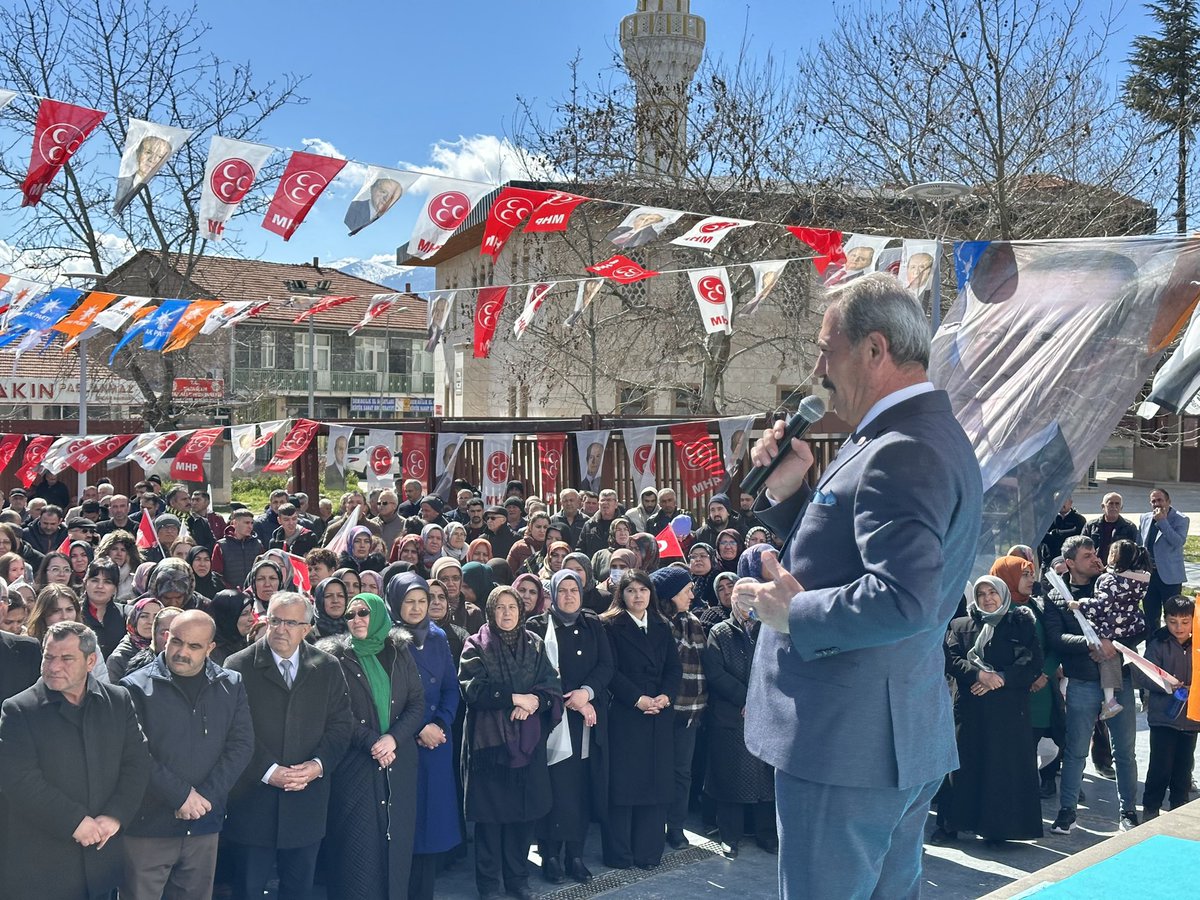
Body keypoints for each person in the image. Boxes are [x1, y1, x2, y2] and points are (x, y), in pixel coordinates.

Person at [736, 274, 982, 899]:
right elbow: (855, 555)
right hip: (886, 737)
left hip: (849, 748)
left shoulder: (902, 448)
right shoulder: (912, 433)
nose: (819, 368)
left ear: (874, 350)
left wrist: (796, 612)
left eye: (828, 348)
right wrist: (790, 494)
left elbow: (906, 597)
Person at [0, 621, 151, 900]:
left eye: (67, 658)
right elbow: (19, 780)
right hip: (41, 867)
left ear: (91, 661)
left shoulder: (117, 701)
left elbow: (137, 763)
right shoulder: (19, 709)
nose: (54, 666)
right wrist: (74, 822)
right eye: (49, 657)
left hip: (100, 861)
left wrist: (115, 815)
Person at [222, 592, 353, 900]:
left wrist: (317, 766)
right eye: (275, 620)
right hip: (253, 801)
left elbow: (340, 725)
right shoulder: (238, 666)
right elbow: (234, 731)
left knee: (299, 889)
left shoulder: (327, 666)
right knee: (248, 890)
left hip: (306, 801)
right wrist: (268, 771)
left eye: (290, 623)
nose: (280, 629)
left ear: (307, 629)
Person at [119, 609, 254, 900]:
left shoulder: (231, 684)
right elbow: (134, 753)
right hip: (147, 826)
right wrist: (181, 796)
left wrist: (203, 799)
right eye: (177, 642)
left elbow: (241, 746)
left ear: (210, 648)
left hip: (204, 825)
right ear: (166, 638)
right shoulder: (133, 688)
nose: (182, 651)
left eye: (194, 646)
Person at [319, 591, 424, 900]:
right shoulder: (336, 658)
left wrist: (393, 738)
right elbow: (336, 712)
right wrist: (372, 742)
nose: (356, 620)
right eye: (350, 616)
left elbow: (417, 704)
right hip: (356, 766)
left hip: (399, 760)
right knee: (357, 850)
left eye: (363, 613)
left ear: (378, 614)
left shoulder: (400, 651)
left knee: (397, 846)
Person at [459, 585, 562, 900]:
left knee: (523, 817)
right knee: (491, 821)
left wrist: (533, 701)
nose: (506, 613)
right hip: (490, 748)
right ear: (491, 611)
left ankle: (518, 880)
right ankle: (488, 885)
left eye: (512, 607)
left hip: (527, 745)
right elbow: (473, 689)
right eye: (500, 607)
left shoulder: (534, 644)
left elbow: (551, 686)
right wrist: (513, 697)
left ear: (521, 611)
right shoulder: (475, 645)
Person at [933, 576, 1044, 845]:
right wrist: (978, 676)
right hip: (970, 709)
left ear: (1003, 594)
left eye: (993, 592)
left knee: (1001, 769)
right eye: (981, 593)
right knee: (962, 767)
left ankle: (998, 830)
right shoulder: (961, 625)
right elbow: (950, 658)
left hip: (1006, 713)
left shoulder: (1021, 624)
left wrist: (1000, 679)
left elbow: (1031, 663)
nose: (987, 598)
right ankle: (950, 825)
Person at [1045, 534, 1143, 834]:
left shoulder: (1114, 583)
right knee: (1076, 751)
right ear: (1070, 563)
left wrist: (1114, 642)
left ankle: (1127, 812)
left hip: (1119, 679)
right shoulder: (1058, 596)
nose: (1096, 558)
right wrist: (1090, 643)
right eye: (1087, 555)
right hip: (1083, 681)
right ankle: (1067, 812)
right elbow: (1055, 637)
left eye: (1095, 553)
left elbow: (1138, 623)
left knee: (1124, 751)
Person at [527, 570, 612, 885]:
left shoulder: (592, 624)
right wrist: (568, 698)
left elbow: (606, 665)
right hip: (551, 720)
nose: (568, 596)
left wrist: (586, 693)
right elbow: (535, 669)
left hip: (584, 721)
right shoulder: (536, 626)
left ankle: (574, 855)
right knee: (553, 788)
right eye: (561, 590)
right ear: (551, 594)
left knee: (578, 789)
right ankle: (550, 854)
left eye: (573, 589)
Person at [388, 573, 463, 900]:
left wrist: (442, 724)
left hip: (436, 744)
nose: (417, 607)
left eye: (423, 600)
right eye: (410, 601)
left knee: (432, 827)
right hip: (402, 743)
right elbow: (386, 698)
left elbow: (450, 688)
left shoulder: (438, 637)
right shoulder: (386, 641)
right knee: (403, 827)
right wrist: (418, 728)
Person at [600, 570, 681, 870]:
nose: (638, 596)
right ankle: (620, 855)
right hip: (626, 713)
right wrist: (637, 699)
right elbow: (611, 670)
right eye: (631, 590)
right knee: (624, 787)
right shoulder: (609, 625)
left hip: (658, 714)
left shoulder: (662, 625)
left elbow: (674, 667)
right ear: (621, 595)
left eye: (643, 590)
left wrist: (665, 696)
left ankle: (648, 853)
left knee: (655, 786)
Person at [701, 579, 777, 858]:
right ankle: (729, 836)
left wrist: (758, 701)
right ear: (732, 600)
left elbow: (776, 667)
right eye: (741, 596)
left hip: (765, 713)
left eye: (751, 596)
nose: (746, 603)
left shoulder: (769, 629)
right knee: (729, 776)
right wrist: (745, 699)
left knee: (765, 778)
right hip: (730, 714)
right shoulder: (719, 632)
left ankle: (766, 834)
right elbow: (715, 672)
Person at [650, 565, 708, 851]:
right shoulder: (654, 622)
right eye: (687, 591)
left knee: (681, 772)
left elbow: (700, 663)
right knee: (656, 770)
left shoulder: (694, 621)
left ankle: (676, 827)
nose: (692, 596)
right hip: (659, 710)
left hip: (690, 712)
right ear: (672, 594)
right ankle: (652, 825)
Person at [1068, 539, 1149, 719]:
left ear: (1114, 557)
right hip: (1130, 625)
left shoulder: (1109, 580)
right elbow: (1121, 588)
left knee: (1106, 656)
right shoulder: (1139, 579)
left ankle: (1110, 700)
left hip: (1109, 627)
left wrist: (1080, 604)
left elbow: (1102, 605)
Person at [1136, 594, 1197, 820]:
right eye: (1172, 621)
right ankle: (1150, 809)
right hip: (1163, 717)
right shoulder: (1158, 643)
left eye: (1185, 622)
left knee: (1183, 769)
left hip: (1191, 718)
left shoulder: (1198, 644)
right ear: (1165, 620)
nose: (1179, 627)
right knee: (1160, 766)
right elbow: (1144, 676)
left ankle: (1179, 810)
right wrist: (1168, 685)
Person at [1140, 488, 1189, 636]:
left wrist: (1162, 521)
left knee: (1172, 616)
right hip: (1149, 575)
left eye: (1160, 500)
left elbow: (1177, 542)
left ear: (1168, 501)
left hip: (1170, 576)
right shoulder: (1145, 517)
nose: (1157, 504)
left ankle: (1170, 649)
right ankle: (1151, 650)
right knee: (1150, 616)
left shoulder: (1181, 519)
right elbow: (1140, 543)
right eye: (1153, 501)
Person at [106, 597, 163, 682]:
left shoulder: (166, 649)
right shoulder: (118, 658)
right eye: (144, 616)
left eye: (156, 617)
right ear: (134, 620)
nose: (150, 621)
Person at [213, 509, 264, 591]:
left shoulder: (258, 545)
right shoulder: (221, 546)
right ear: (235, 523)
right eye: (246, 523)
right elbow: (216, 574)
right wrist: (230, 589)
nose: (250, 526)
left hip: (254, 592)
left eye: (252, 523)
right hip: (229, 595)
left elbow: (262, 570)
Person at [1081, 492, 1139, 562]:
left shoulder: (1130, 527)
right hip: (1094, 565)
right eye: (1110, 503)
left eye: (1117, 504)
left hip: (1119, 568)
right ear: (1103, 506)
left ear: (1121, 507)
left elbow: (1135, 550)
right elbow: (1082, 547)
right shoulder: (1091, 526)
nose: (1114, 507)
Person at [204, 589, 255, 665]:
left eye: (251, 611)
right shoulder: (211, 654)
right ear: (228, 617)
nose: (252, 619)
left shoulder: (245, 642)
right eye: (244, 614)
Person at [1038, 498, 1087, 569]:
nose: (1061, 503)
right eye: (1058, 501)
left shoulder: (1079, 519)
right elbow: (1042, 535)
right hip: (1050, 561)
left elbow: (1076, 535)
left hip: (1072, 562)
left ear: (1070, 502)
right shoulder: (1048, 518)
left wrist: (1055, 534)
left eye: (1063, 500)